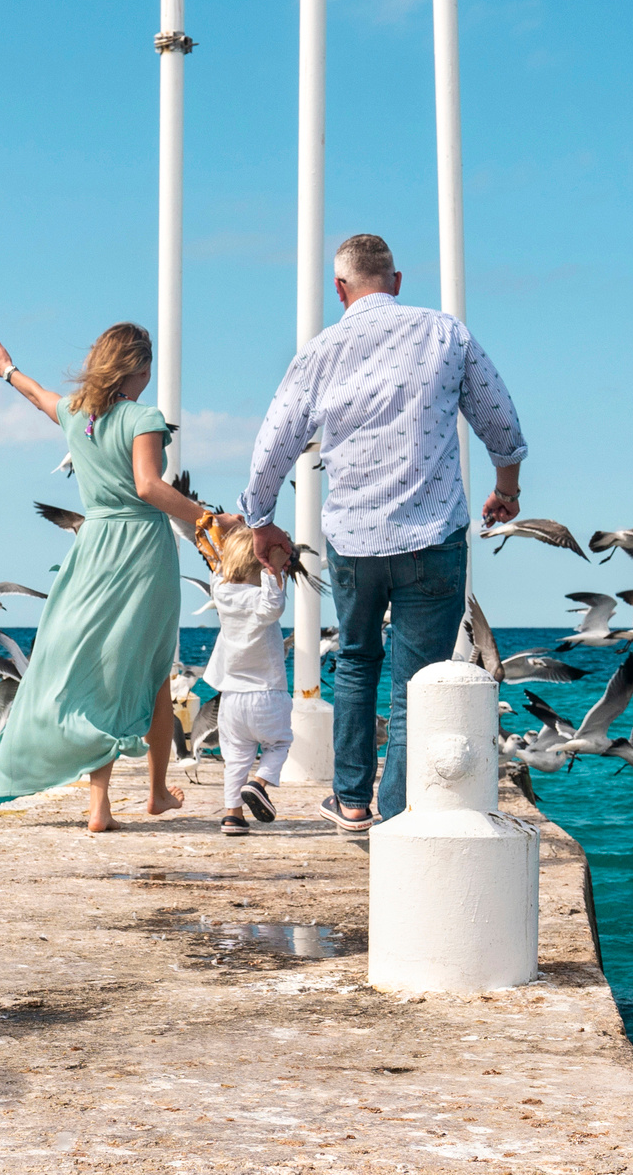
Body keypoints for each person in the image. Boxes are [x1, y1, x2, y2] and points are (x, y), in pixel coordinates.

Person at [226, 233, 526, 831]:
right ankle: (397, 811)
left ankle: (351, 801)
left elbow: (271, 446)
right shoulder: (445, 332)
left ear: (340, 288)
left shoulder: (319, 352)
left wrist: (260, 523)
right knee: (419, 682)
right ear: (395, 279)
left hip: (354, 539)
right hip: (432, 532)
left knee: (358, 661)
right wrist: (507, 489)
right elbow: (500, 421)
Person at [0, 323, 209, 833]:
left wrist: (6, 370)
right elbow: (148, 486)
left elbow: (40, 396)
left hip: (92, 548)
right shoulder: (144, 417)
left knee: (100, 671)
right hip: (141, 549)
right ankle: (158, 793)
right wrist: (207, 518)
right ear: (137, 369)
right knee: (152, 670)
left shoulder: (78, 414)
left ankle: (99, 805)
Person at [202, 527, 293, 837]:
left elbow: (217, 573)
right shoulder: (262, 599)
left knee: (236, 756)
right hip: (267, 695)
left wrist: (221, 548)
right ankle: (260, 783)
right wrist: (274, 569)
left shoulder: (223, 595)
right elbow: (274, 604)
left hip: (232, 699)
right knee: (279, 744)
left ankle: (232, 816)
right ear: (261, 565)